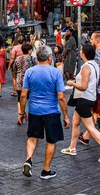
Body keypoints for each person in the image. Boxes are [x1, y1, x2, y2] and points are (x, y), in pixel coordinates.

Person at [19, 45, 69, 179]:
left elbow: (23, 95)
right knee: (51, 141)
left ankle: (28, 159)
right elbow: (61, 96)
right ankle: (46, 170)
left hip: (34, 111)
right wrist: (66, 116)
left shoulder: (30, 72)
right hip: (51, 111)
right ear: (50, 57)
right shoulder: (56, 73)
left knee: (32, 138)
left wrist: (22, 112)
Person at [61, 44, 100, 163]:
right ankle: (72, 147)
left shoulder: (86, 67)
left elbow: (83, 86)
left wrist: (72, 83)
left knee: (90, 127)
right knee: (76, 122)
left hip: (84, 99)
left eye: (81, 51)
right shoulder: (94, 64)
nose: (80, 52)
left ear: (84, 54)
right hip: (89, 97)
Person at [12, 43, 36, 124]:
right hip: (31, 82)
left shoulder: (17, 59)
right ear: (29, 50)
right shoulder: (33, 59)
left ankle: (20, 114)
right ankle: (30, 116)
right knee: (31, 99)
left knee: (20, 99)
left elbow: (14, 70)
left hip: (20, 81)